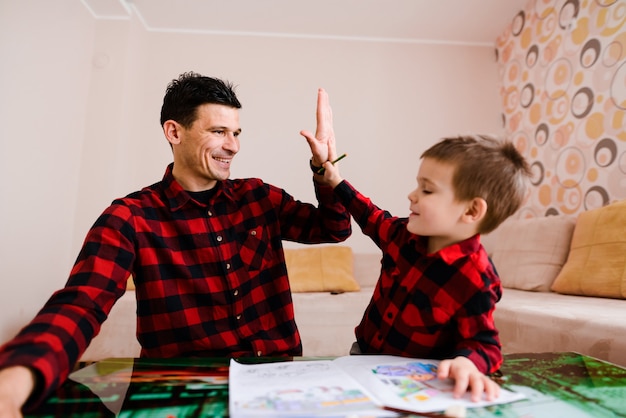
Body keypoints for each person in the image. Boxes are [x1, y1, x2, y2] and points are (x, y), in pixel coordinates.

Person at [0, 72, 351, 415]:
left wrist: (326, 171)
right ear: (174, 132)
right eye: (218, 132)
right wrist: (13, 382)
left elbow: (334, 229)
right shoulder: (130, 217)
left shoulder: (259, 197)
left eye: (236, 133)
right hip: (186, 390)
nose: (233, 145)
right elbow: (81, 304)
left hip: (278, 379)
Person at [316, 134, 531, 402]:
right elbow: (369, 214)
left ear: (472, 210)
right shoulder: (401, 234)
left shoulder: (476, 278)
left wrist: (466, 362)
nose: (412, 195)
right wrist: (335, 181)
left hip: (417, 378)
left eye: (427, 190)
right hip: (362, 355)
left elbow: (483, 343)